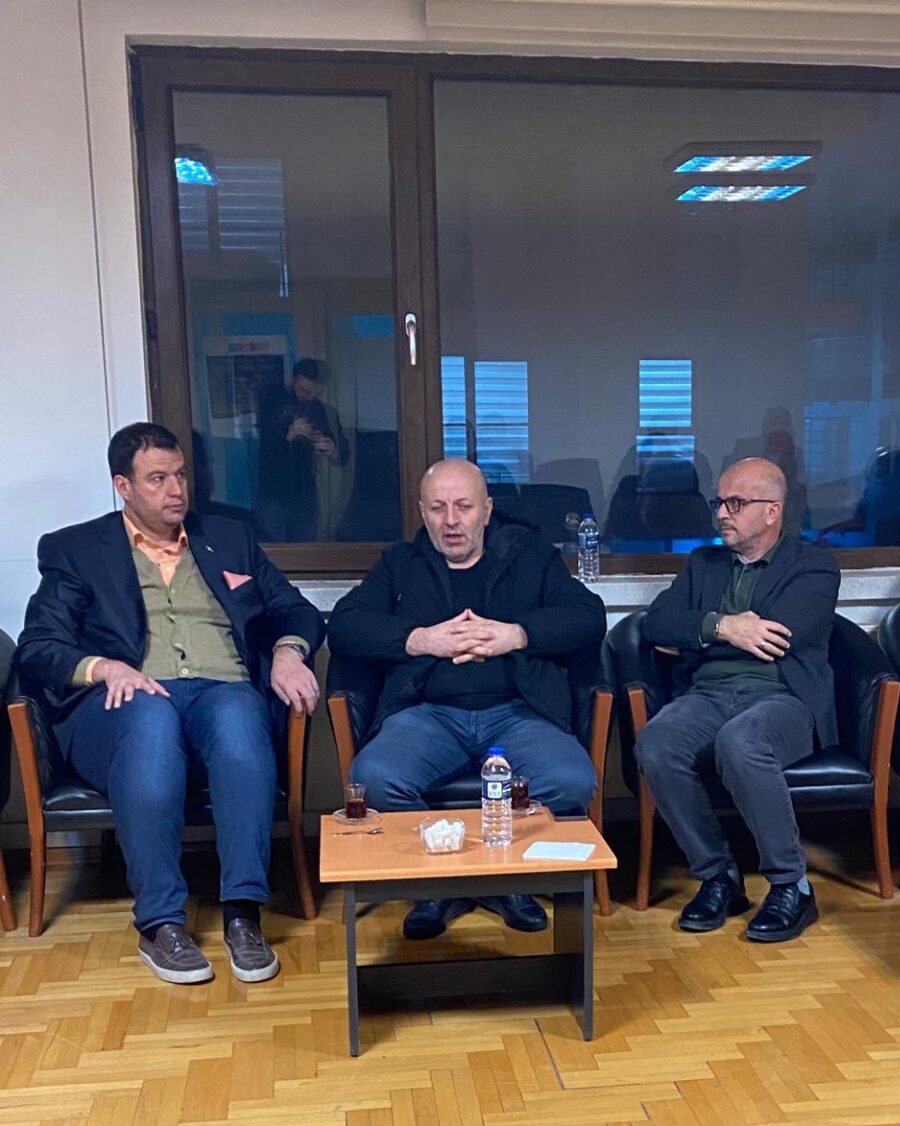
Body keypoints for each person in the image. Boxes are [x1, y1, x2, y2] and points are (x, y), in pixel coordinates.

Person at [15, 422, 325, 982]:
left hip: (220, 691)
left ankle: (243, 914)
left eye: (180, 475)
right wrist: (104, 667)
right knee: (151, 718)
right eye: (157, 479)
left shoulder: (229, 538)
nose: (176, 489)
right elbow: (38, 647)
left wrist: (288, 652)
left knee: (239, 716)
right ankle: (161, 924)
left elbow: (295, 610)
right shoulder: (75, 549)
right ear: (123, 486)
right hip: (125, 703)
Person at [327, 458, 606, 939]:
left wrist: (517, 634)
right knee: (374, 778)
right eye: (438, 508)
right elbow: (346, 624)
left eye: (463, 507)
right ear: (422, 512)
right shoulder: (401, 563)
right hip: (428, 715)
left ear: (487, 510)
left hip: (518, 712)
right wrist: (420, 640)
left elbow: (588, 616)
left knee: (571, 781)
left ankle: (495, 880)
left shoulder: (529, 555)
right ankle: (451, 885)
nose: (451, 521)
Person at [634, 457, 839, 942]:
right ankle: (718, 877)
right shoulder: (702, 563)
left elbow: (781, 636)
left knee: (741, 740)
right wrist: (724, 626)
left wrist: (697, 634)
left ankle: (791, 886)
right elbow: (657, 623)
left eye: (736, 503)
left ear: (772, 511)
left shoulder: (814, 565)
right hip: (707, 693)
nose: (722, 513)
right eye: (719, 502)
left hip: (782, 696)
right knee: (656, 743)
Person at [257, 358, 349, 542]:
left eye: (315, 392)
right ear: (292, 381)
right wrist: (290, 434)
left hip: (304, 493)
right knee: (273, 549)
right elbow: (265, 445)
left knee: (305, 547)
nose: (309, 396)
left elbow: (343, 454)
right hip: (273, 493)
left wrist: (331, 449)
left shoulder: (321, 410)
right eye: (304, 391)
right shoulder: (271, 402)